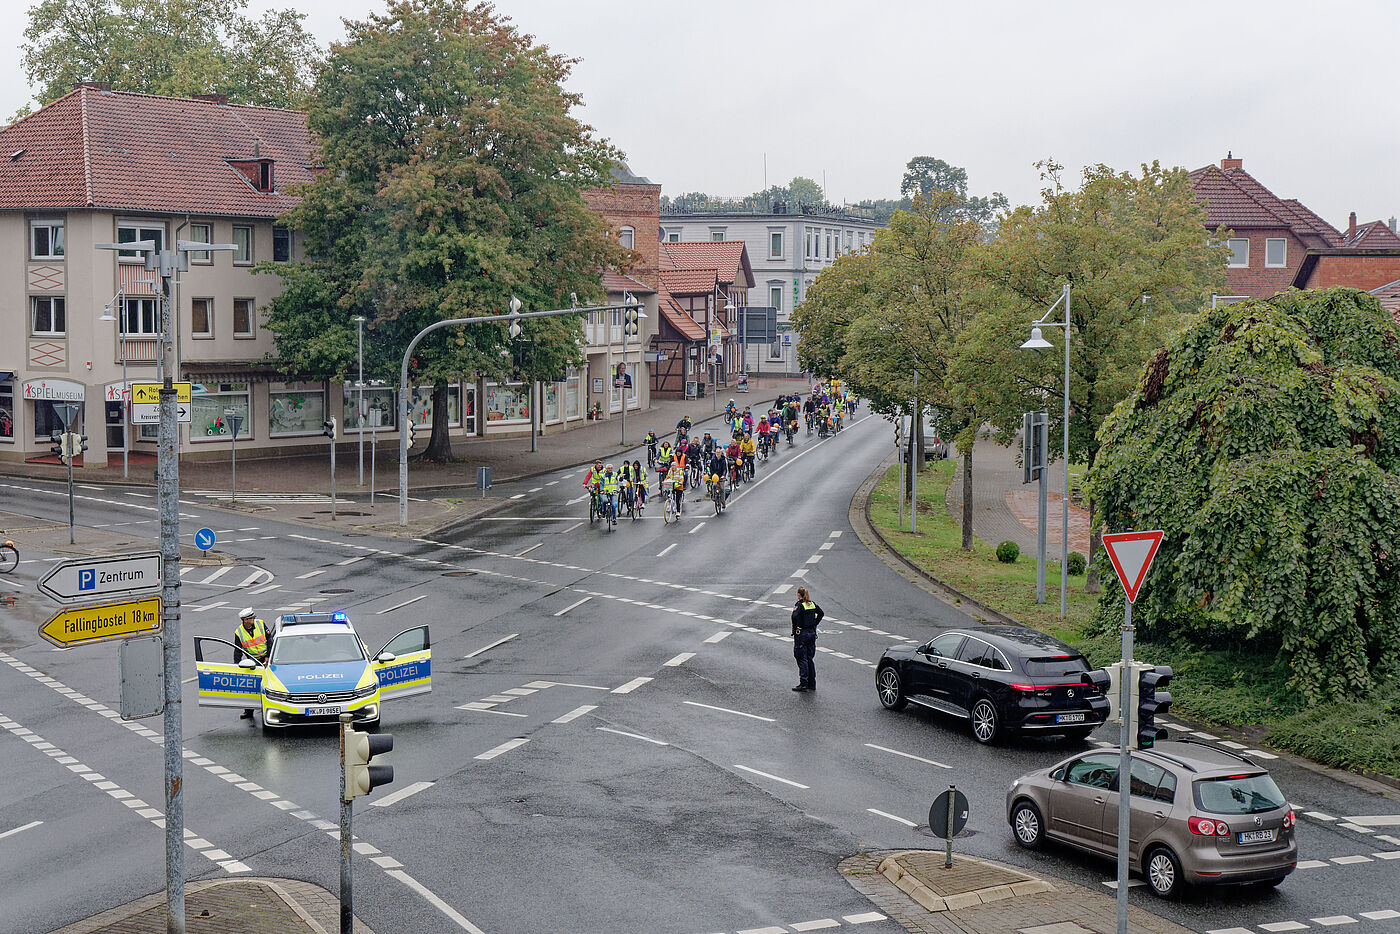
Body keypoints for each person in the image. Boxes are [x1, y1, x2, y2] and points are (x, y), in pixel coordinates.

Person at [234, 607, 270, 719]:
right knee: (250, 686)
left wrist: (268, 656)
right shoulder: (239, 632)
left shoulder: (261, 624)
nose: (254, 619)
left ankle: (269, 707)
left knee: (270, 683)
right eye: (251, 618)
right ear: (245, 620)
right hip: (253, 661)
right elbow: (237, 650)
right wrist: (237, 666)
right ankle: (248, 711)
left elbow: (270, 640)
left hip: (267, 657)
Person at [790, 587, 824, 691]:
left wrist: (797, 627)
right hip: (812, 634)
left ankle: (803, 683)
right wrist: (814, 624)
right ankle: (812, 683)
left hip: (802, 634)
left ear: (799, 595)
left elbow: (794, 616)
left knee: (801, 658)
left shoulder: (799, 605)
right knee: (809, 658)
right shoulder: (812, 604)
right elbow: (821, 613)